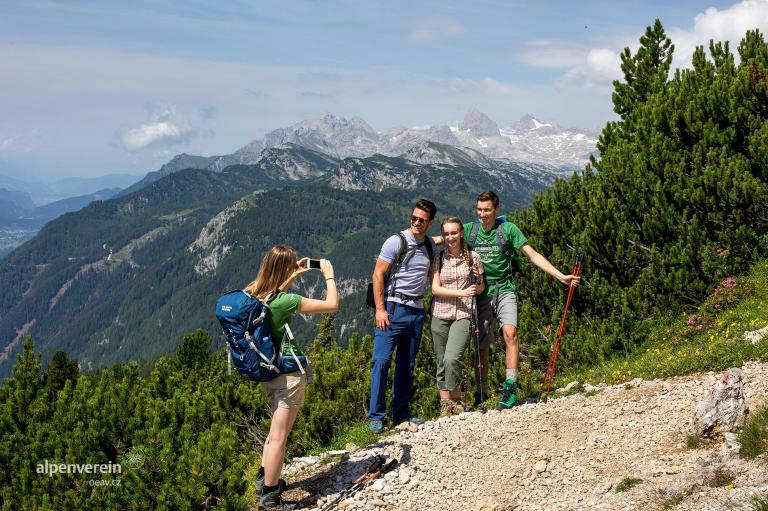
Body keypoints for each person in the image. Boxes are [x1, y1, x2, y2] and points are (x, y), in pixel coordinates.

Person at [466, 191, 580, 410]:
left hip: (504, 288)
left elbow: (532, 255)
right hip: (480, 292)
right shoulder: (470, 230)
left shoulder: (508, 230)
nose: (482, 214)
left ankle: (510, 387)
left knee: (510, 333)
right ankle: (481, 392)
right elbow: (446, 237)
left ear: (496, 209)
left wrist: (560, 276)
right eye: (479, 209)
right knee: (482, 345)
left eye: (487, 209)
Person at [245, 245, 338, 510]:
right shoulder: (287, 302)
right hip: (289, 376)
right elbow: (332, 305)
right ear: (283, 270)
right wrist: (328, 275)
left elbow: (276, 292)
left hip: (266, 371)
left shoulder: (254, 292)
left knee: (274, 432)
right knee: (279, 436)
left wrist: (293, 275)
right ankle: (270, 498)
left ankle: (265, 479)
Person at [369, 198, 437, 434]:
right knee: (381, 361)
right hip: (393, 308)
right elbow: (378, 274)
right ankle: (376, 416)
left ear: (430, 222)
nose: (416, 222)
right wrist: (380, 309)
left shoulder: (429, 245)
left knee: (406, 364)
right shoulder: (395, 241)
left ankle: (401, 414)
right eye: (413, 218)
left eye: (422, 220)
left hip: (416, 311)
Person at [430, 216, 485, 416]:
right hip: (440, 313)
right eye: (446, 233)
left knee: (453, 358)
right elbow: (435, 289)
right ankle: (446, 405)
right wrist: (462, 292)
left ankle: (456, 400)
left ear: (461, 233)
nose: (450, 237)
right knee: (442, 360)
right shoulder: (438, 258)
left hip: (463, 313)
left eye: (454, 233)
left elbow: (480, 288)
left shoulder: (473, 257)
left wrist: (476, 285)